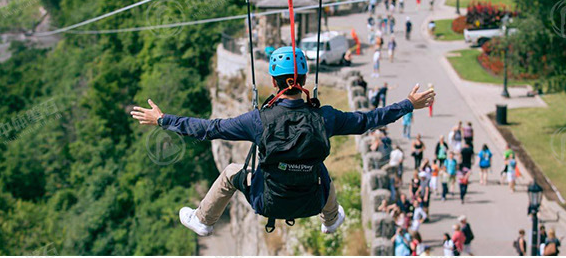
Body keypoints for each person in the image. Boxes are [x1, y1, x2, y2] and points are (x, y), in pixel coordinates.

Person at [131, 46, 436, 236]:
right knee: (318, 167)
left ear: (274, 82)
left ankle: (203, 220)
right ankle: (331, 220)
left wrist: (163, 119)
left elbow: (209, 129)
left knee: (231, 173)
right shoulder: (324, 118)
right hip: (312, 200)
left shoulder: (258, 120)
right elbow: (370, 119)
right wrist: (408, 103)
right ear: (303, 80)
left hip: (268, 201)